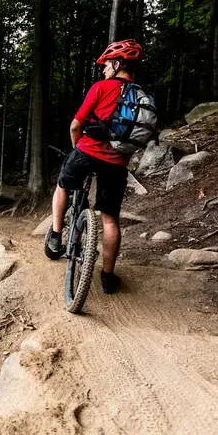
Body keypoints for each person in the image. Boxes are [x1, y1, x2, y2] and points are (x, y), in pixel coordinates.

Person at [45, 39, 144, 294]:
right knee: (110, 219)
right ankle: (108, 277)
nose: (103, 69)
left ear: (117, 64)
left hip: (87, 152)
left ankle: (55, 236)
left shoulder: (101, 87)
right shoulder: (140, 97)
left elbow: (75, 126)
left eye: (106, 64)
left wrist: (77, 148)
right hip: (116, 164)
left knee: (62, 186)